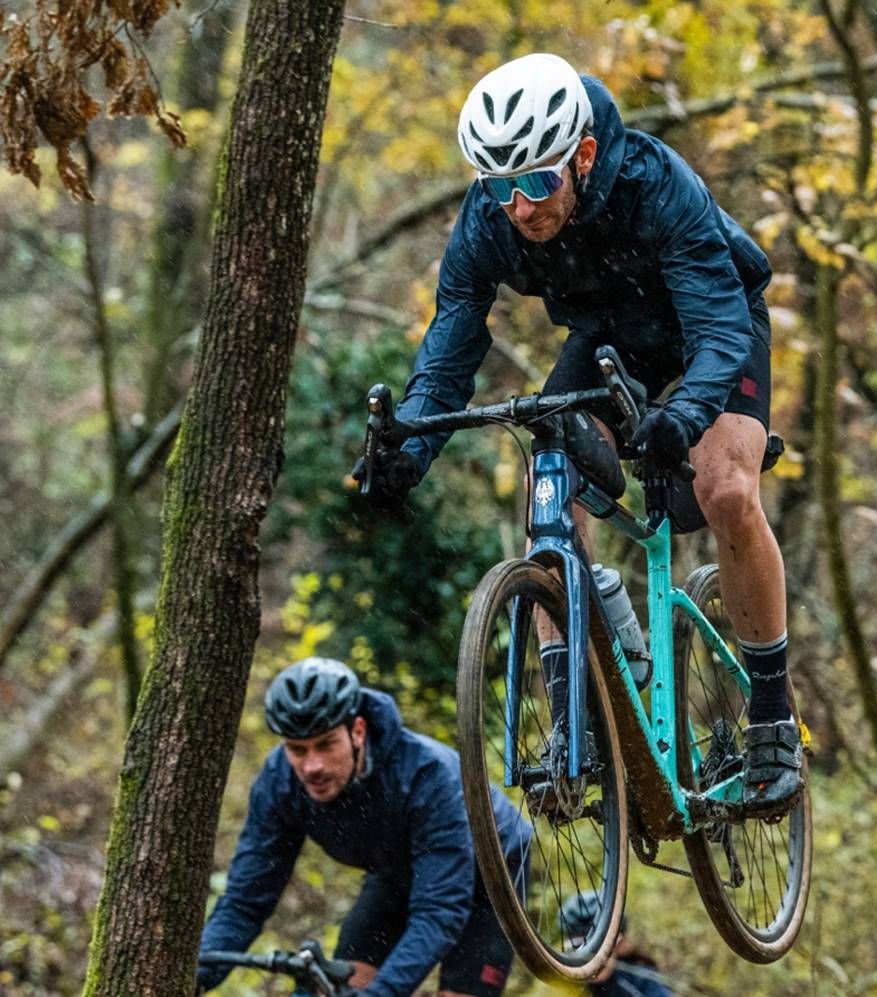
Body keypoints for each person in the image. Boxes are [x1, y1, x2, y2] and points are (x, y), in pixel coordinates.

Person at [359, 52, 801, 816]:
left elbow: (719, 327)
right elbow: (452, 343)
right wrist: (413, 447)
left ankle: (772, 715)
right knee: (549, 493)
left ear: (584, 157)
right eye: (499, 188)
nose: (519, 208)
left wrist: (685, 416)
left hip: (714, 327)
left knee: (724, 487)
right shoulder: (488, 223)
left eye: (536, 182)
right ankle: (585, 709)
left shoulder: (656, 185)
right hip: (609, 338)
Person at [197, 657, 529, 997]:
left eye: (326, 745)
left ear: (357, 731)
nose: (312, 766)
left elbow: (439, 911)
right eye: (297, 750)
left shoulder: (426, 777)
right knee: (343, 984)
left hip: (489, 870)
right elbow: (245, 900)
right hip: (395, 871)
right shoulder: (280, 782)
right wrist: (196, 974)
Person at [559, 891, 674, 997]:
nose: (592, 958)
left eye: (599, 947)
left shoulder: (640, 979)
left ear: (618, 943)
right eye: (579, 947)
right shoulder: (565, 985)